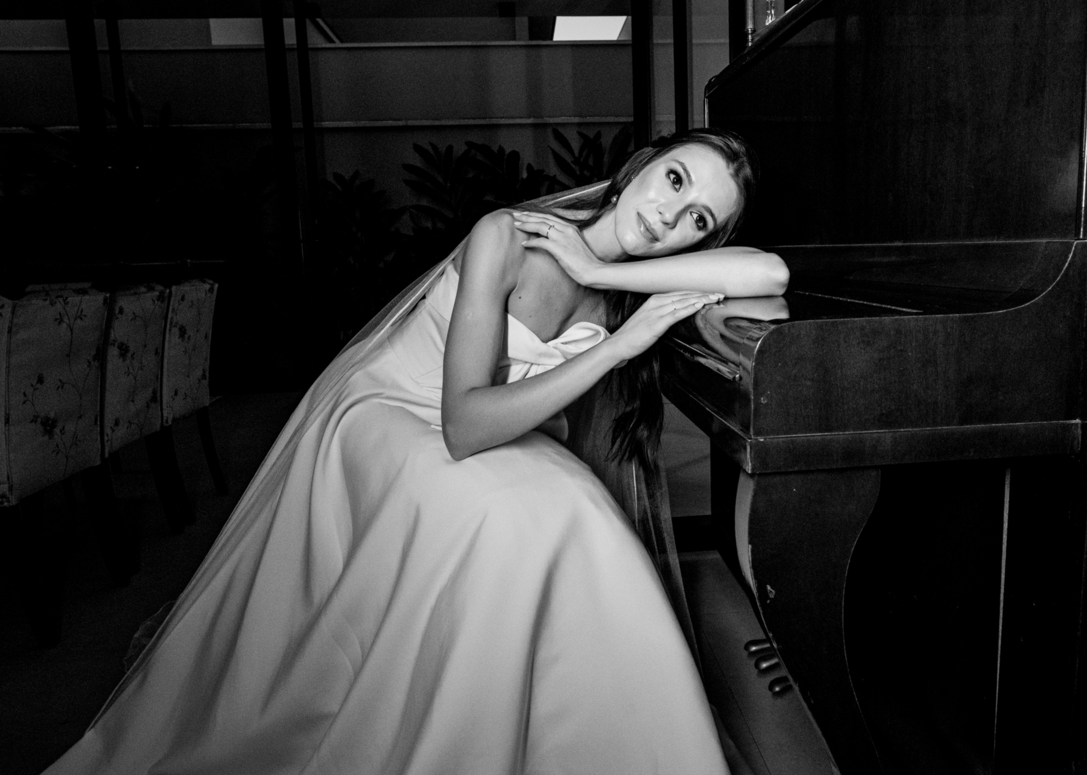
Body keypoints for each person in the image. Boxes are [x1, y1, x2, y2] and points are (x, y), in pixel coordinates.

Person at [44, 128, 788, 775]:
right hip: (398, 411)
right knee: (503, 515)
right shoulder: (509, 235)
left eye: (698, 219)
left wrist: (601, 274)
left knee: (584, 518)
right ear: (641, 165)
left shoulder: (620, 283)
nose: (669, 215)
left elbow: (769, 273)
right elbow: (462, 424)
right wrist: (619, 345)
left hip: (503, 425)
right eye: (675, 179)